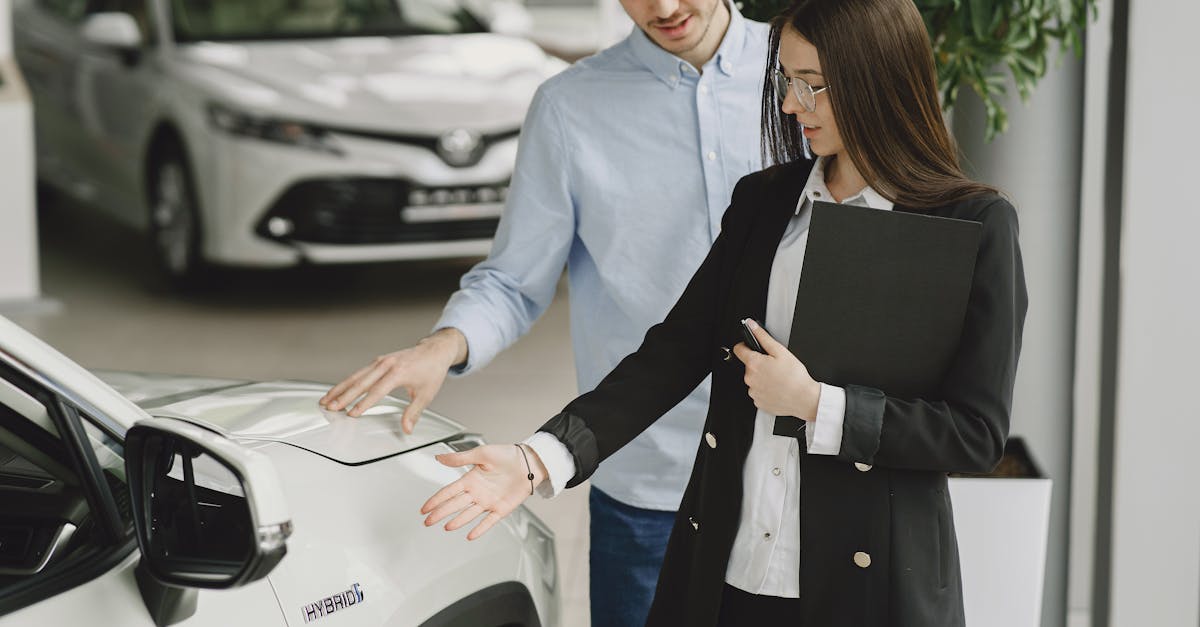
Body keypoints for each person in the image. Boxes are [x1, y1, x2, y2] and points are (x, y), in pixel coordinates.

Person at [417, 0, 1030, 625]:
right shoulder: (766, 202)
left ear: (878, 80)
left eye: (812, 85)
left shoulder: (973, 225)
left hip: (867, 588)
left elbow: (975, 434)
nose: (790, 105)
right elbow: (674, 352)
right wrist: (538, 459)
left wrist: (816, 404)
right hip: (731, 568)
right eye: (787, 81)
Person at [319, 0, 770, 624]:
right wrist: (442, 345)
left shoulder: (809, 77)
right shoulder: (569, 106)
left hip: (794, 464)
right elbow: (514, 278)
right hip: (647, 471)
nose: (663, 8)